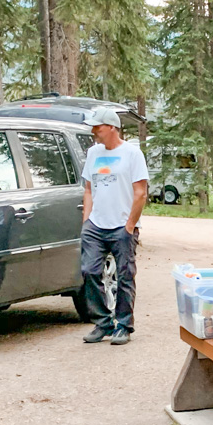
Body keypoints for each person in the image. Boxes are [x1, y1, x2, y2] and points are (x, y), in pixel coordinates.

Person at [79, 107, 149, 345]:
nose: (94, 131)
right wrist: (86, 221)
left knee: (125, 276)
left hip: (122, 225)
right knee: (89, 271)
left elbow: (140, 193)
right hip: (96, 225)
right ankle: (103, 322)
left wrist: (130, 225)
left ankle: (124, 325)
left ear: (111, 127)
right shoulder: (93, 153)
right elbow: (88, 189)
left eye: (97, 126)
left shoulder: (132, 154)